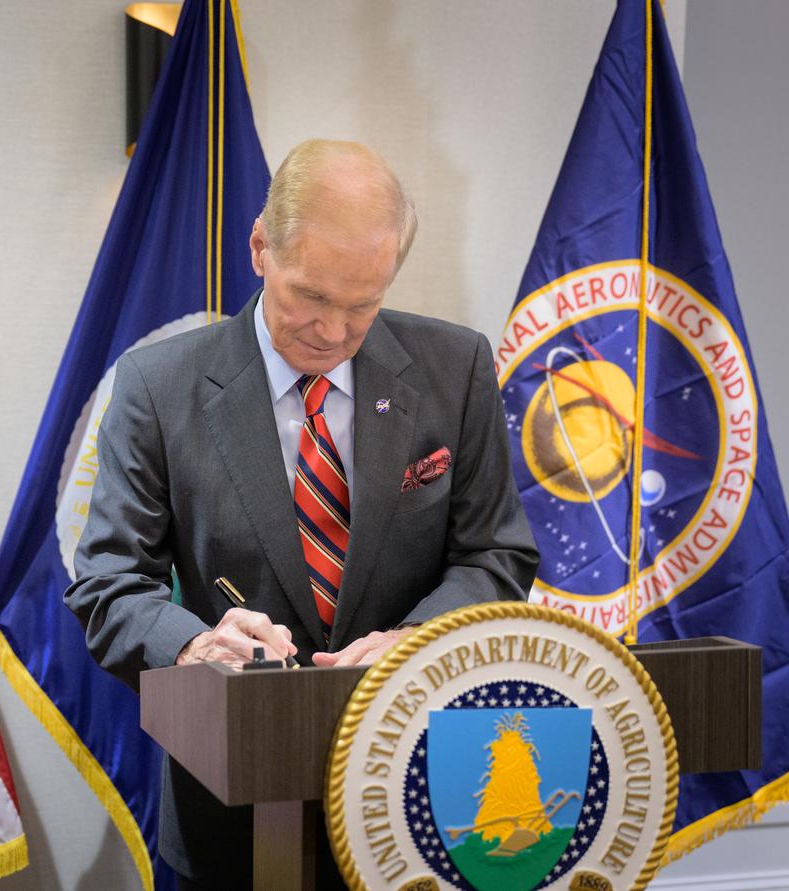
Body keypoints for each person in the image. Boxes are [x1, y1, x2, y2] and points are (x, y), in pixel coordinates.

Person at [65, 139, 539, 888]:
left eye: (363, 305)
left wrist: (415, 642)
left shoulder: (458, 370)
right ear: (260, 247)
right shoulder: (159, 388)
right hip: (230, 813)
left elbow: (496, 556)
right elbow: (109, 583)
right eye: (311, 297)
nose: (334, 331)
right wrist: (195, 648)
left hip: (421, 801)